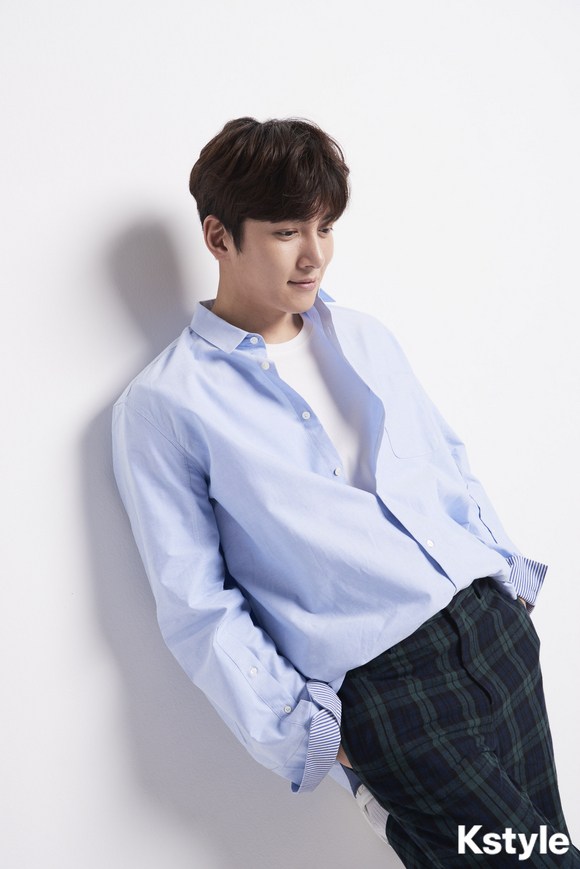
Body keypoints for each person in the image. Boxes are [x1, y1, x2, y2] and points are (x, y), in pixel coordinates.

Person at [112, 117, 578, 866]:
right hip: (391, 690)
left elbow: (446, 464)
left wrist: (508, 586)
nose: (315, 254)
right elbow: (196, 603)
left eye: (325, 227)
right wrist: (312, 732)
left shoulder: (363, 335)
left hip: (494, 635)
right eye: (287, 232)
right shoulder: (167, 405)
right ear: (219, 237)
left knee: (546, 845)